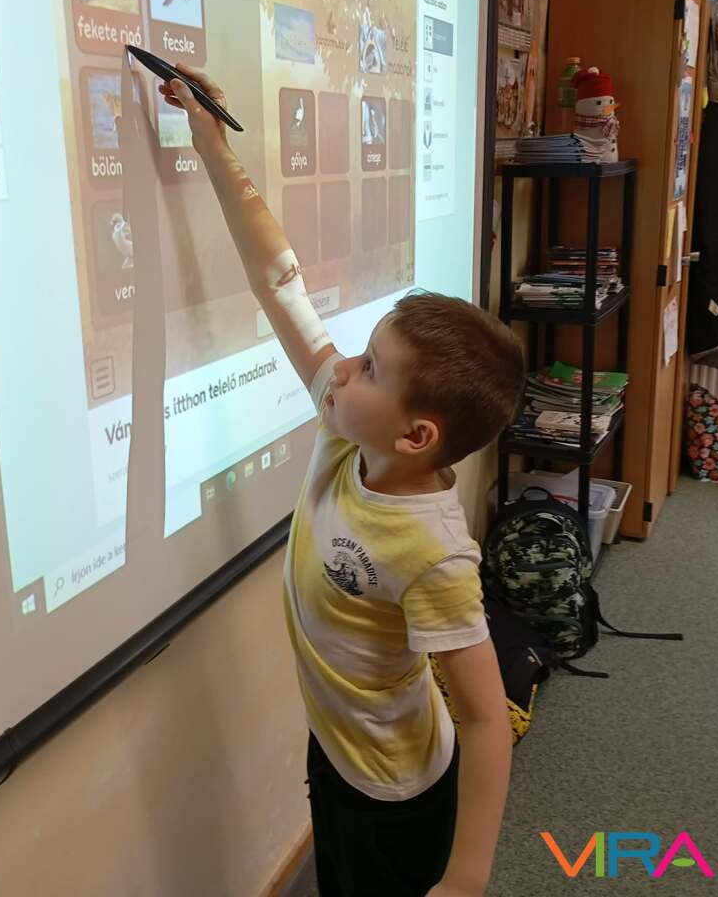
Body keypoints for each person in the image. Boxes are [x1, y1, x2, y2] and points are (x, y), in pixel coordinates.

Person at [161, 66, 525, 897]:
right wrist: (212, 143)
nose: (343, 366)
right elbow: (279, 282)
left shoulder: (434, 552)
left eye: (370, 368)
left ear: (415, 436)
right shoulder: (346, 428)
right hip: (337, 750)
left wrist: (466, 880)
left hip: (397, 797)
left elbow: (484, 717)